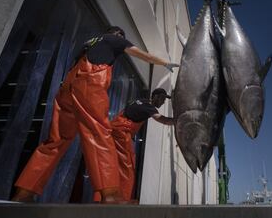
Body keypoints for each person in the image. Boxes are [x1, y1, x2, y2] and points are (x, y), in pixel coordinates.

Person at [12, 26, 179, 203]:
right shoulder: (114, 39)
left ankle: (24, 192)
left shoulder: (89, 43)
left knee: (55, 141)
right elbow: (143, 55)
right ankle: (111, 194)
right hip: (90, 84)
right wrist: (164, 63)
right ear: (117, 34)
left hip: (67, 88)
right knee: (99, 135)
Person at [94, 88, 174, 203]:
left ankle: (102, 198)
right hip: (121, 133)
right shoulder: (149, 107)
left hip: (114, 129)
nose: (163, 102)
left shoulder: (140, 101)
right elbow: (163, 120)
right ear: (155, 97)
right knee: (127, 168)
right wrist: (178, 121)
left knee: (110, 166)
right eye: (162, 98)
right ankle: (121, 200)